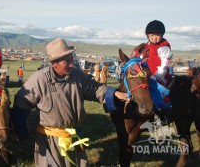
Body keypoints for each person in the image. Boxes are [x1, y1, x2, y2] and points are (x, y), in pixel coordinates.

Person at [13, 38, 130, 167]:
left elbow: (94, 88)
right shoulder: (39, 79)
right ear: (54, 64)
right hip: (50, 140)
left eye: (71, 59)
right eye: (66, 61)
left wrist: (114, 93)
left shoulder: (76, 75)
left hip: (73, 137)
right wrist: (20, 128)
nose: (71, 64)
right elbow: (22, 102)